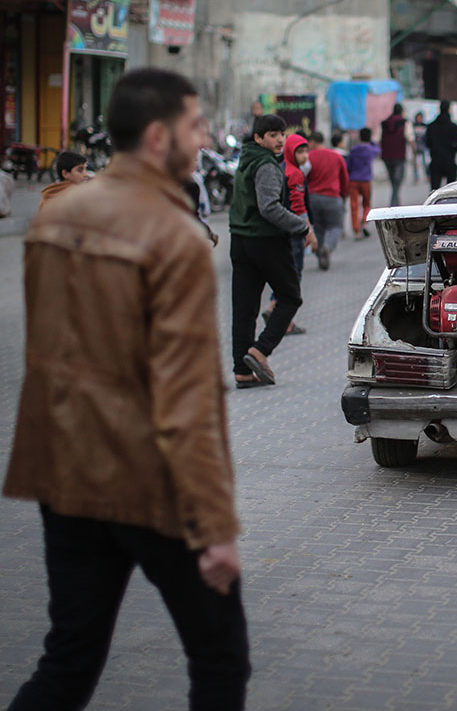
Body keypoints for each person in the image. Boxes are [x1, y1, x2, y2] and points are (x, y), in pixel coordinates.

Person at [3, 68, 250, 708]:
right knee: (220, 661)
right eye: (195, 127)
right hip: (152, 484)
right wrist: (216, 524)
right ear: (158, 135)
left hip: (66, 474)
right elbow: (189, 393)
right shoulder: (177, 237)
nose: (202, 141)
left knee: (67, 662)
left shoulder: (56, 214)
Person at [228, 113, 317, 388]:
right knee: (290, 297)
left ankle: (242, 372)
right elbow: (269, 208)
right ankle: (260, 350)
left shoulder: (246, 158)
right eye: (272, 135)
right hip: (265, 241)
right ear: (258, 138)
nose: (280, 140)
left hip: (240, 240)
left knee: (244, 308)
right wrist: (302, 227)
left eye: (282, 134)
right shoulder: (266, 164)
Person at [260, 133, 311, 335]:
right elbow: (299, 207)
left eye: (306, 151)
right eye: (299, 151)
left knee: (286, 275)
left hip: (281, 230)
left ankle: (273, 306)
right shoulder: (295, 174)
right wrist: (309, 230)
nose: (305, 156)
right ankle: (283, 319)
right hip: (294, 231)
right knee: (294, 276)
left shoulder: (280, 169)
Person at [305, 131, 349, 271]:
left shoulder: (308, 157)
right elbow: (344, 179)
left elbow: (303, 179)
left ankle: (320, 255)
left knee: (319, 228)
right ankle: (327, 248)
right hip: (333, 197)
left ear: (311, 142)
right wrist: (343, 195)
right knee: (336, 226)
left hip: (314, 198)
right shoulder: (336, 156)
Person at [346, 127, 379, 239]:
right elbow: (378, 150)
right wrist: (372, 141)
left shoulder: (353, 150)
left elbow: (348, 166)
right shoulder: (371, 150)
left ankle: (356, 230)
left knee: (354, 205)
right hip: (366, 180)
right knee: (366, 203)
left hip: (353, 180)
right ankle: (364, 222)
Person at [379, 103, 414, 207]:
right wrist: (414, 153)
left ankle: (395, 202)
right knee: (397, 181)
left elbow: (378, 140)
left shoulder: (384, 123)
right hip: (399, 156)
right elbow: (410, 138)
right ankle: (394, 203)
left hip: (386, 156)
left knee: (393, 180)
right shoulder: (405, 123)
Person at [425, 99, 457, 190]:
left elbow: (427, 143)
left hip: (435, 161)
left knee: (434, 191)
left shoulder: (431, 126)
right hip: (449, 161)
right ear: (449, 109)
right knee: (451, 192)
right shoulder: (453, 127)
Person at [409, 112, 428, 184]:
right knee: (415, 164)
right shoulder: (413, 126)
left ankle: (427, 176)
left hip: (423, 146)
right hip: (415, 147)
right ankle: (416, 178)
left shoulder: (424, 126)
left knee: (425, 163)